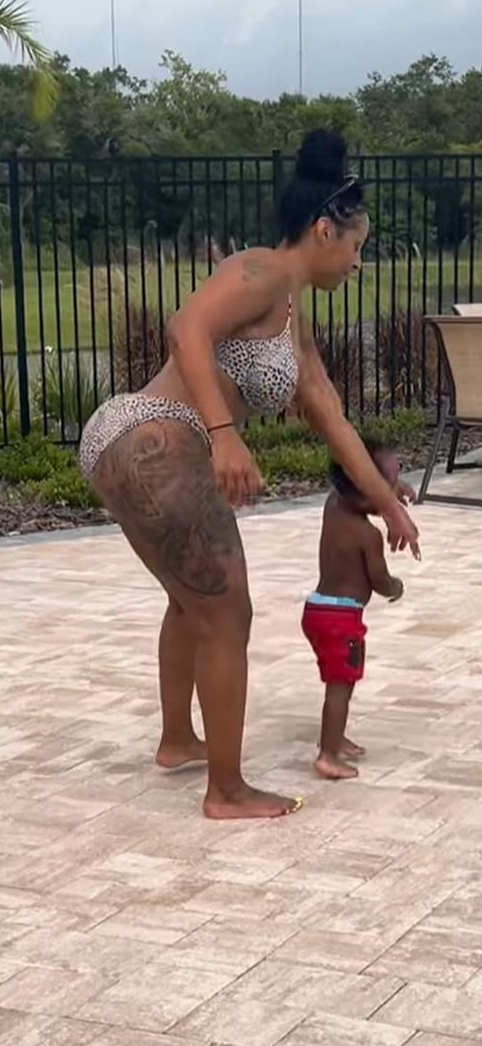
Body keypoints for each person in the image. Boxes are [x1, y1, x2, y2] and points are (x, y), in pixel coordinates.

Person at [79, 128, 419, 821]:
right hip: (151, 435)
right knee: (226, 610)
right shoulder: (260, 270)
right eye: (357, 246)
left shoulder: (292, 318)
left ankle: (178, 741)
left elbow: (334, 420)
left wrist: (389, 504)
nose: (358, 262)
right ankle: (227, 791)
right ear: (324, 230)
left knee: (193, 601)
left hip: (136, 441)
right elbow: (186, 328)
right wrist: (224, 434)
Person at [302, 439, 411, 781]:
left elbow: (359, 486)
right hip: (342, 621)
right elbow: (378, 580)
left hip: (316, 611)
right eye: (388, 484)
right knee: (340, 688)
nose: (393, 490)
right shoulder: (368, 535)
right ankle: (328, 755)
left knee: (337, 682)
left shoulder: (334, 504)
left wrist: (393, 492)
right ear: (366, 491)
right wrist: (395, 586)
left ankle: (334, 737)